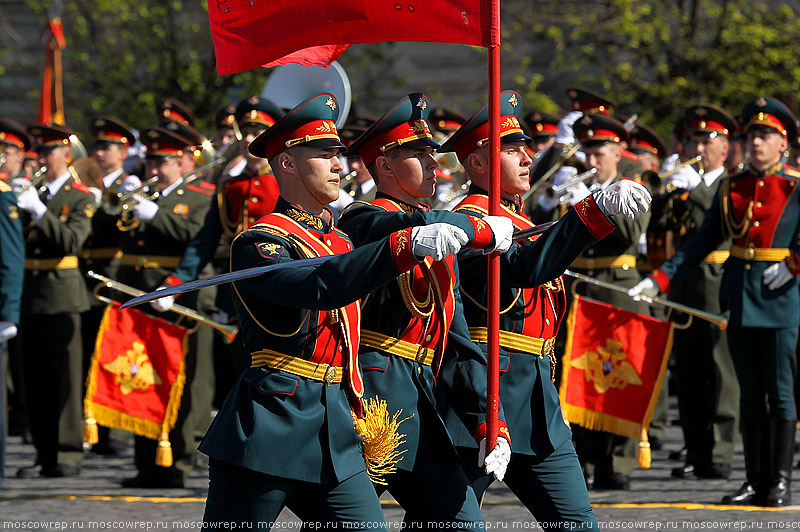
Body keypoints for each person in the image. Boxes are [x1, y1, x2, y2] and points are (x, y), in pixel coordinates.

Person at [199, 93, 469, 528]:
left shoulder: (341, 241)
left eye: (339, 155)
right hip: (273, 421)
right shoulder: (260, 242)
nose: (340, 166)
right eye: (324, 156)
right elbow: (318, 286)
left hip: (337, 425)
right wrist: (403, 247)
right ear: (287, 163)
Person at [435, 90, 649, 528]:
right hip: (483, 396)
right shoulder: (468, 225)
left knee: (575, 521)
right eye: (511, 150)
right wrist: (593, 211)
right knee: (449, 523)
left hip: (536, 399)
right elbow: (525, 267)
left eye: (526, 148)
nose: (527, 157)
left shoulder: (521, 221)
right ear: (476, 165)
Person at [338, 92, 515, 528]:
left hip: (420, 396)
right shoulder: (363, 219)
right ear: (384, 166)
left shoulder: (438, 235)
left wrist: (489, 420)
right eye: (420, 156)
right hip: (371, 399)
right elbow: (388, 228)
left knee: (458, 521)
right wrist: (468, 225)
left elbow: (454, 343)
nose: (437, 166)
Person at [630, 97, 800, 507]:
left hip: (779, 296)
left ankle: (778, 481)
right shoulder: (733, 185)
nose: (756, 142)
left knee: (778, 392)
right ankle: (754, 479)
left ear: (784, 143)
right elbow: (702, 242)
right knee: (747, 392)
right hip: (739, 294)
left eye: (766, 135)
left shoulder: (795, 184)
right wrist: (660, 278)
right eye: (752, 135)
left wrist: (795, 264)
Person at [554, 113, 653, 491]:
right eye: (588, 153)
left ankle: (619, 461)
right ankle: (585, 455)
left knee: (620, 374)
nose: (591, 161)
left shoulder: (633, 184)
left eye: (599, 154)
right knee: (578, 375)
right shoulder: (576, 183)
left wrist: (595, 204)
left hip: (616, 284)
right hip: (580, 286)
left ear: (617, 153)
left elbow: (630, 233)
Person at [154, 96, 283, 384]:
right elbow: (205, 241)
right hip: (236, 295)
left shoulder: (286, 183)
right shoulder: (230, 187)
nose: (249, 139)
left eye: (257, 132)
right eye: (246, 132)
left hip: (280, 294)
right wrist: (176, 283)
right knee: (240, 376)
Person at [116, 125, 215, 488]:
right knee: (144, 377)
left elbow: (197, 237)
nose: (154, 169)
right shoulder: (149, 194)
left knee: (185, 381)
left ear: (186, 161)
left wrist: (154, 213)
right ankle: (146, 461)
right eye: (151, 162)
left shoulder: (202, 194)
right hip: (143, 294)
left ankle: (177, 462)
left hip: (183, 295)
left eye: (163, 161)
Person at [650, 104, 740, 481]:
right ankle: (696, 449)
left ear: (725, 148)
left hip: (717, 280)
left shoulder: (731, 184)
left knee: (720, 371)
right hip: (682, 286)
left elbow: (720, 227)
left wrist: (696, 191)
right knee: (687, 373)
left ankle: (719, 452)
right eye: (693, 140)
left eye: (708, 140)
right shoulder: (681, 184)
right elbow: (655, 227)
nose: (699, 147)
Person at [12, 124, 95, 478]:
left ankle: (67, 454)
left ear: (66, 155)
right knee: (34, 380)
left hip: (63, 296)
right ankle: (43, 453)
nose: (43, 160)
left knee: (64, 379)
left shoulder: (81, 197)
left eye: (50, 153)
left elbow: (71, 241)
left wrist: (38, 212)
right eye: (40, 153)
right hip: (29, 294)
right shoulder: (34, 191)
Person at [80, 117, 138, 455]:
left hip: (115, 272)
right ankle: (93, 425)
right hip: (88, 271)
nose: (99, 153)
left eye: (107, 147)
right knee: (89, 351)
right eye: (97, 146)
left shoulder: (129, 185)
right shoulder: (90, 182)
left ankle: (114, 432)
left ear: (123, 151)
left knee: (113, 351)